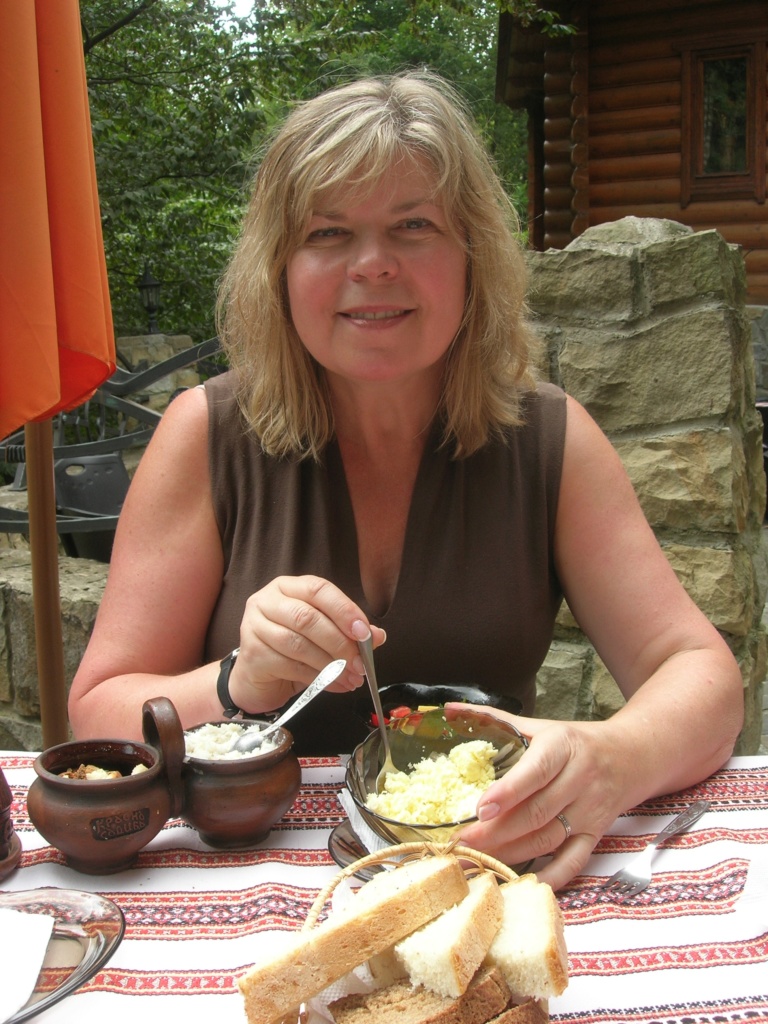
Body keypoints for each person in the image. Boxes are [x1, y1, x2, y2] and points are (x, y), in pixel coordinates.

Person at [69, 71, 743, 889]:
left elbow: (702, 676)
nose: (373, 265)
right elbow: (98, 709)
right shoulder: (204, 434)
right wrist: (235, 681)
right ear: (279, 269)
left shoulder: (550, 438)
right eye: (327, 233)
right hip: (240, 884)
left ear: (472, 258)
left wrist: (616, 756)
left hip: (488, 874)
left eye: (414, 226)